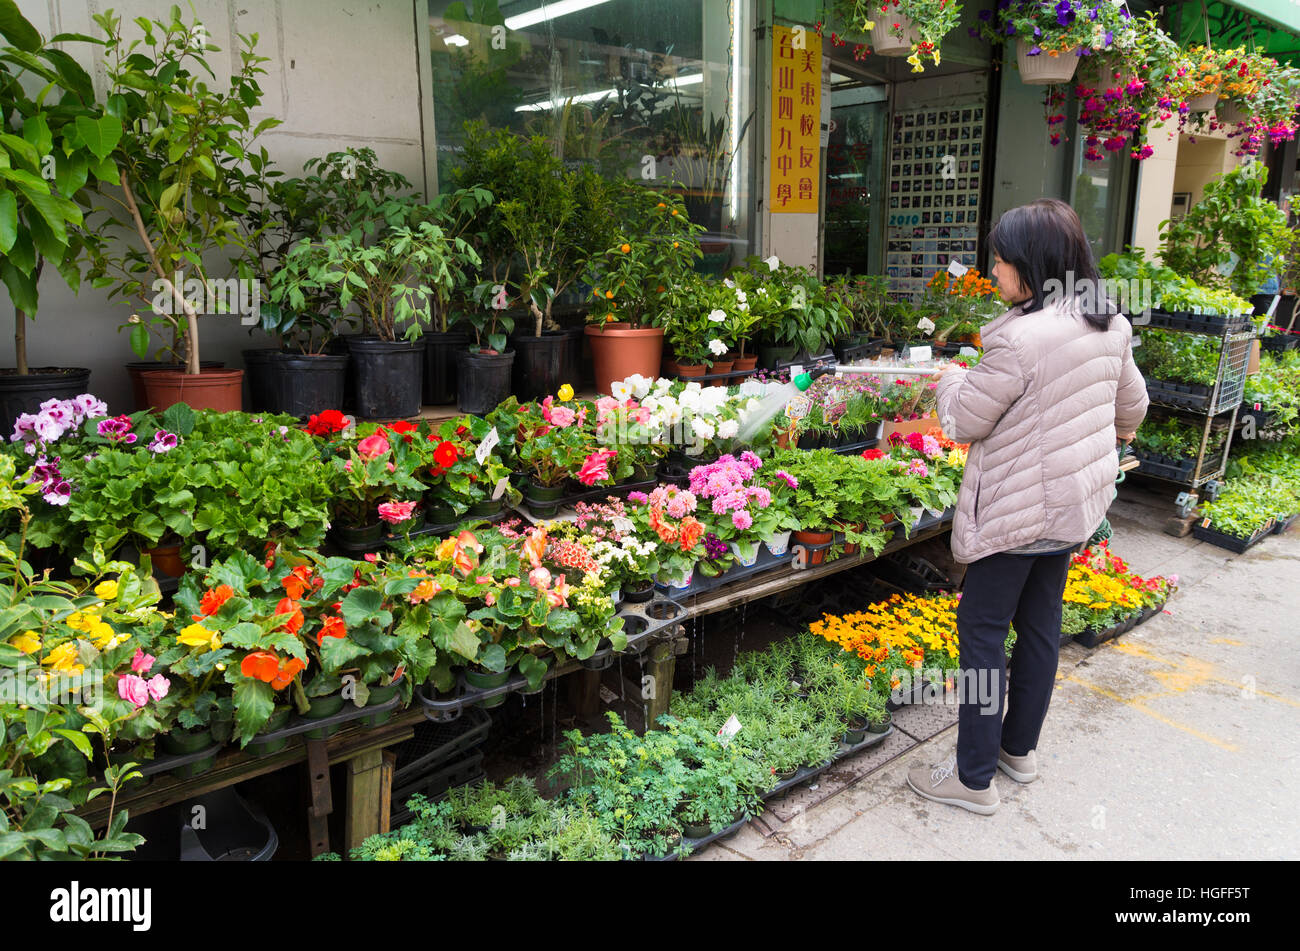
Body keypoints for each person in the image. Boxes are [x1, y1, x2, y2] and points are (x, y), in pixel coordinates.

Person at [906, 199, 1149, 815]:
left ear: (1032, 266)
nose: (993, 271)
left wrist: (949, 377)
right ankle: (1019, 751)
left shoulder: (1017, 340)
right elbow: (1133, 412)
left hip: (1014, 515)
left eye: (1001, 259)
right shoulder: (1109, 323)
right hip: (1072, 511)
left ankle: (973, 779)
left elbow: (962, 421)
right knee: (1039, 628)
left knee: (982, 637)